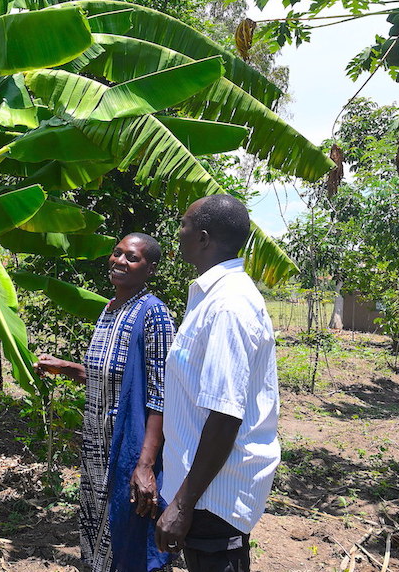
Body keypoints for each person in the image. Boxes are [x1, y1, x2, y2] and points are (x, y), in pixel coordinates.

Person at [155, 195, 280, 572]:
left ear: (204, 238)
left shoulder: (229, 305)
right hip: (201, 488)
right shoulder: (210, 297)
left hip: (213, 495)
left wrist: (182, 504)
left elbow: (226, 415)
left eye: (184, 225)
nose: (178, 233)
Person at [37, 233, 175, 572]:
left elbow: (161, 393)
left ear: (150, 268)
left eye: (132, 257)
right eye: (117, 253)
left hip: (129, 445)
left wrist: (145, 465)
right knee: (99, 531)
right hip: (97, 445)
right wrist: (67, 368)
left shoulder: (153, 314)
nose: (119, 261)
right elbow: (112, 376)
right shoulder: (110, 309)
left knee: (129, 535)